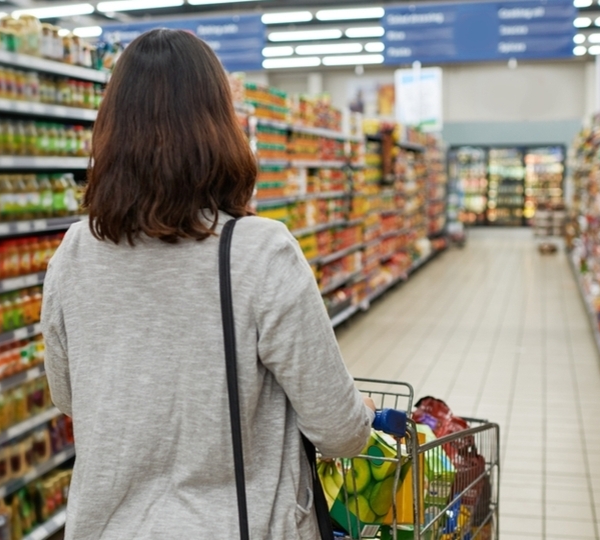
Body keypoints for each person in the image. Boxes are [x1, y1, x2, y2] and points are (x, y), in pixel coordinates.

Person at [41, 28, 374, 539]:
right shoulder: (261, 251)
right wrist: (361, 413)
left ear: (109, 129)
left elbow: (69, 397)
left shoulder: (73, 252)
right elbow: (339, 431)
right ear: (220, 126)